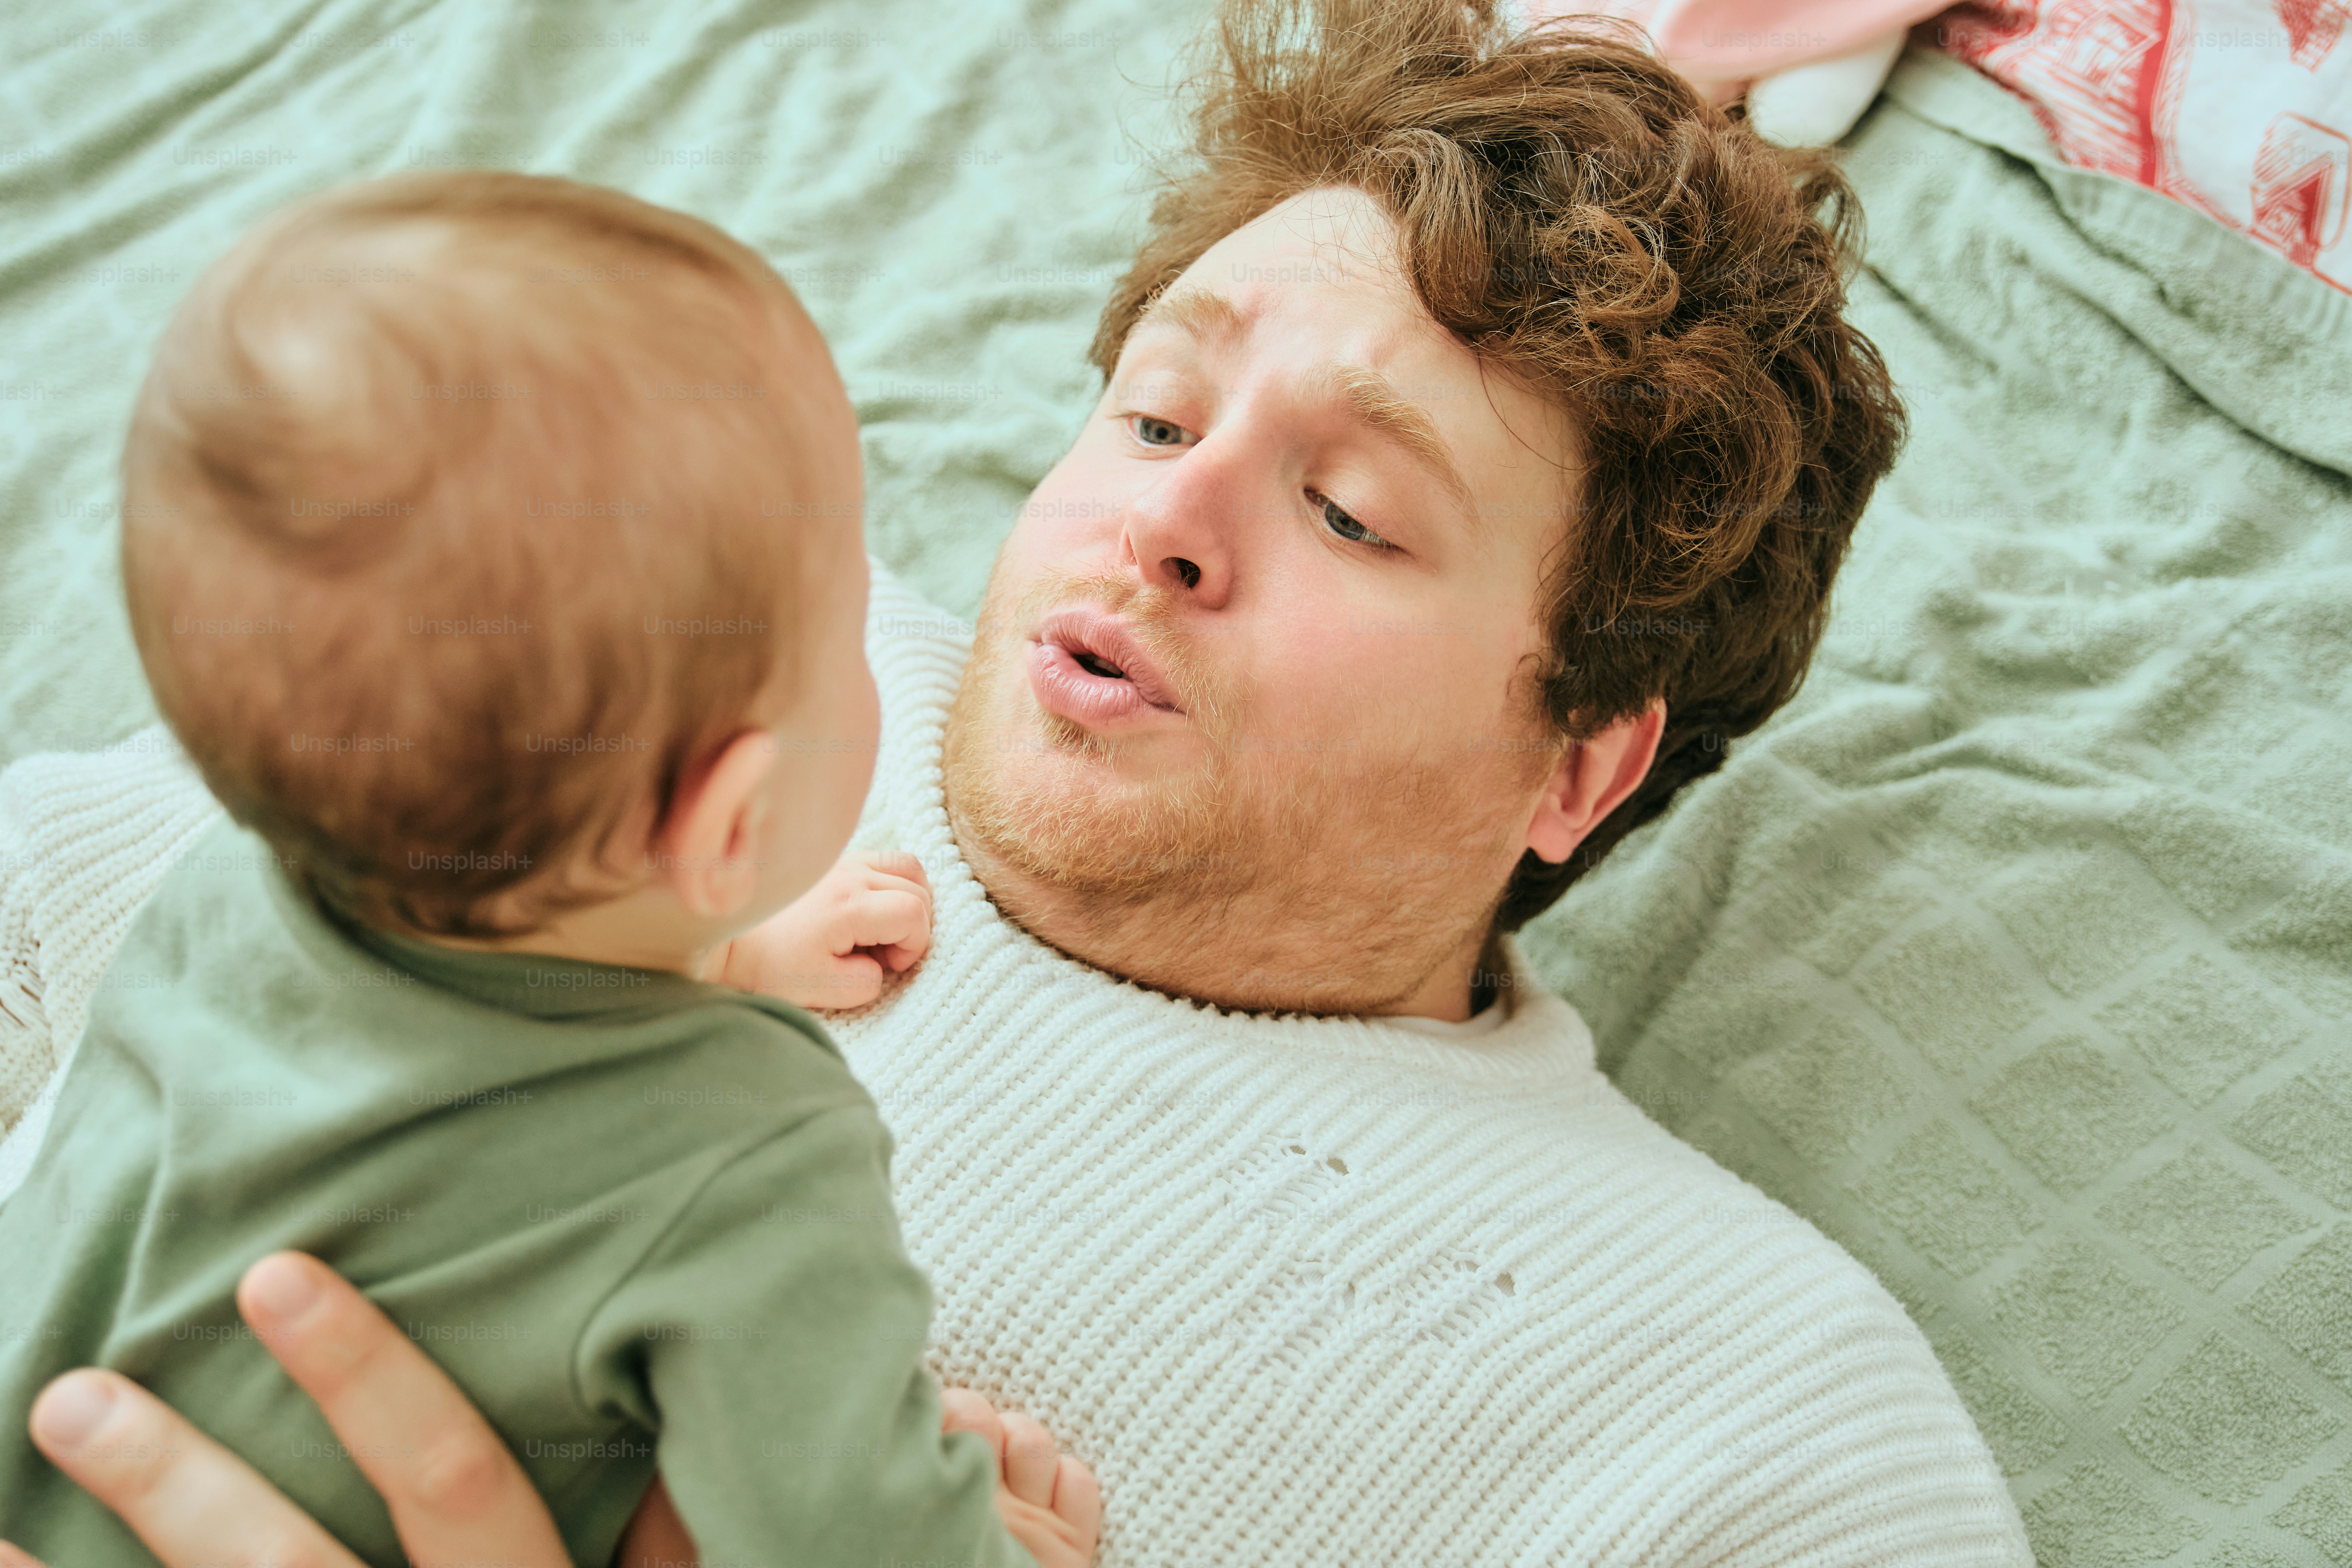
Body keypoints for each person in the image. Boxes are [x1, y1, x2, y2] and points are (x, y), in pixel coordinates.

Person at [1, 1, 2036, 1562]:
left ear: (1575, 764)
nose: (1165, 517)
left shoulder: (1739, 1400)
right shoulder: (637, 658)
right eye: (1154, 406)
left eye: (1344, 509)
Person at [0, 171, 1095, 1568]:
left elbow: (448, 1030)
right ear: (730, 825)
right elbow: (835, 1534)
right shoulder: (752, 1152)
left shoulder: (231, 898)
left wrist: (715, 942)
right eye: (844, 612)